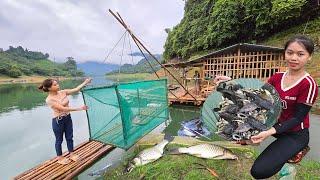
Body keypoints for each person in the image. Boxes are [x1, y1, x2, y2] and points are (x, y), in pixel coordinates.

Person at [214, 35, 318, 179]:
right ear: (285, 53)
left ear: (309, 57)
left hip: (294, 133)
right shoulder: (276, 77)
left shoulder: (308, 84)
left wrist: (267, 132)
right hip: (271, 123)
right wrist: (233, 82)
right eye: (290, 52)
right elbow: (256, 95)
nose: (294, 58)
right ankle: (280, 151)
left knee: (258, 172)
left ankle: (293, 154)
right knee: (235, 129)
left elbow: (297, 118)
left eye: (300, 54)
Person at [38, 78, 92, 165]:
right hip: (58, 121)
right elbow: (62, 108)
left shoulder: (63, 92)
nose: (58, 85)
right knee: (59, 140)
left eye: (57, 83)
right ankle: (60, 158)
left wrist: (85, 82)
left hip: (67, 118)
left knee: (69, 137)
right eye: (55, 85)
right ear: (49, 88)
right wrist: (79, 108)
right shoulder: (49, 99)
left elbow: (76, 89)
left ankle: (72, 154)